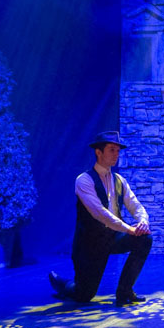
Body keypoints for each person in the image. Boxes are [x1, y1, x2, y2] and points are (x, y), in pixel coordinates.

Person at [50, 131, 152, 306]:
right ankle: (62, 284)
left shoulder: (119, 180)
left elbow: (135, 205)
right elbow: (100, 213)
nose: (116, 154)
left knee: (145, 239)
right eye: (112, 150)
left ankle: (125, 291)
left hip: (113, 238)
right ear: (98, 152)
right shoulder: (84, 180)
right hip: (90, 244)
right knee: (83, 295)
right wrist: (129, 229)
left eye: (118, 150)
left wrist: (143, 221)